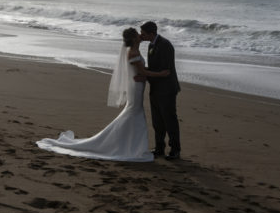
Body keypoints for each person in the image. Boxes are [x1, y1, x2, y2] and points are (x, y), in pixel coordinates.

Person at [36, 28, 169, 162]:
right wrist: (161, 74)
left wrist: (144, 74)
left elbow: (141, 71)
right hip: (136, 87)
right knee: (134, 112)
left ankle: (130, 144)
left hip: (138, 85)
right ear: (134, 38)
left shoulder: (135, 49)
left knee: (134, 112)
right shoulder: (133, 52)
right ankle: (128, 145)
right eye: (137, 34)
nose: (140, 35)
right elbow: (143, 72)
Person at [139, 21, 181, 160]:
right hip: (156, 88)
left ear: (151, 33)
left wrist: (145, 73)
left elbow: (165, 71)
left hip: (167, 89)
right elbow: (154, 67)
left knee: (170, 120)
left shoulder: (165, 45)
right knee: (157, 121)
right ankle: (159, 148)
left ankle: (175, 150)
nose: (141, 36)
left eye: (143, 34)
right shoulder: (151, 44)